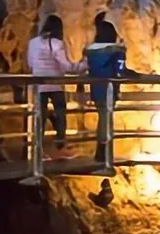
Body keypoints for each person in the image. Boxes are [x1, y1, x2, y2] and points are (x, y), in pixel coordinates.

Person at [84, 13, 139, 171]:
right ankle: (103, 153)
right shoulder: (116, 51)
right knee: (106, 120)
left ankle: (100, 151)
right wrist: (135, 75)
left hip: (97, 89)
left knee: (103, 118)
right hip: (109, 89)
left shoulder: (91, 51)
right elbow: (120, 71)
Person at [26, 14, 85, 158]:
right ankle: (60, 147)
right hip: (55, 85)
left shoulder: (33, 42)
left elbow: (30, 63)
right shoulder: (56, 44)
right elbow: (65, 66)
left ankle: (37, 151)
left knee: (40, 116)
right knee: (60, 116)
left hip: (38, 85)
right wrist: (82, 66)